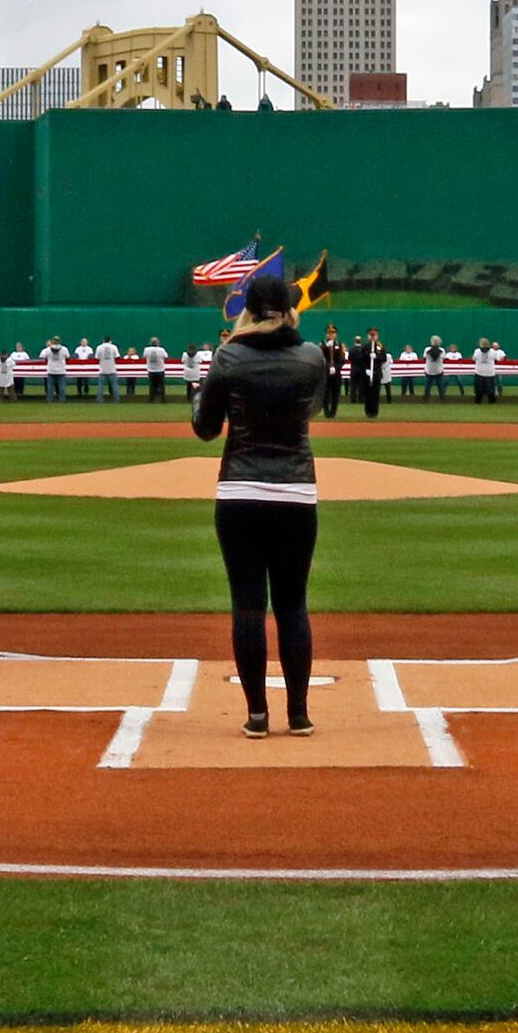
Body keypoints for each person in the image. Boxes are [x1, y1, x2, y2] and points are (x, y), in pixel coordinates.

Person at [192, 268, 328, 732]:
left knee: (248, 604)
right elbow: (311, 408)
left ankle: (255, 715)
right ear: (289, 311)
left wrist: (199, 397)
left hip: (240, 491)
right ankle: (299, 714)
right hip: (295, 489)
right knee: (293, 604)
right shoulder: (311, 356)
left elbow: (206, 428)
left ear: (247, 310)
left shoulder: (228, 357)